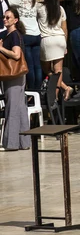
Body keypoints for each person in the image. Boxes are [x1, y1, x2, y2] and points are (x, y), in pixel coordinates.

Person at [0, 8, 31, 151]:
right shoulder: (8, 35)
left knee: (12, 107)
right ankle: (24, 142)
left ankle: (11, 143)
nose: (5, 19)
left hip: (14, 75)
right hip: (15, 76)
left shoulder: (14, 35)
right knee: (19, 107)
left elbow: (16, 55)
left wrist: (0, 49)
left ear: (15, 20)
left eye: (8, 17)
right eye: (4, 17)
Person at [36, 0, 72, 100]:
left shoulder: (39, 8)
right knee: (58, 70)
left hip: (47, 39)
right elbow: (65, 28)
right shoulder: (60, 9)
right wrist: (65, 44)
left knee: (46, 69)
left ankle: (64, 88)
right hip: (60, 39)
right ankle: (56, 96)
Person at [9, 0, 42, 89]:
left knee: (29, 65)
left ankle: (31, 91)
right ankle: (38, 91)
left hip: (26, 35)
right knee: (37, 65)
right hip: (37, 34)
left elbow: (4, 3)